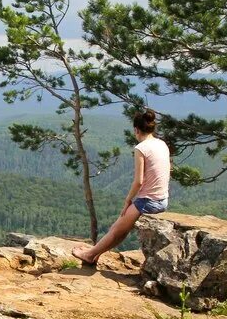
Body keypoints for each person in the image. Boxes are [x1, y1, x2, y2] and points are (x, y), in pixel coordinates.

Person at [73, 109, 170, 265]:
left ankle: (90, 255)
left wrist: (127, 200)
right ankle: (96, 252)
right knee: (121, 228)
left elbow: (138, 181)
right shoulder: (161, 143)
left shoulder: (141, 148)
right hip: (163, 199)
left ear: (136, 130)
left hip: (148, 201)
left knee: (117, 228)